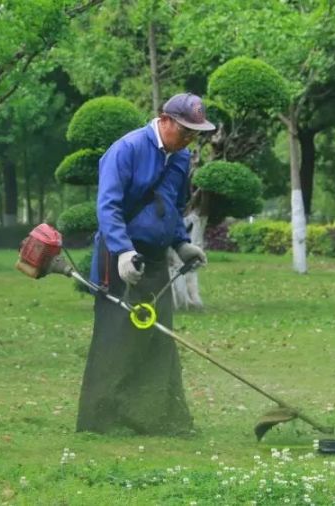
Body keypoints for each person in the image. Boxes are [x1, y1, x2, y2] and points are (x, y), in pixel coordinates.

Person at [76, 93, 215, 435]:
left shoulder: (181, 159)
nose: (189, 139)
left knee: (157, 338)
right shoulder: (126, 149)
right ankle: (102, 421)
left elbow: (174, 205)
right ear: (164, 120)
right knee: (116, 336)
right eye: (185, 130)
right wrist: (123, 250)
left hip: (155, 261)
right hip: (118, 258)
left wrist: (181, 244)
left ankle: (157, 418)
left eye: (195, 133)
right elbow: (107, 207)